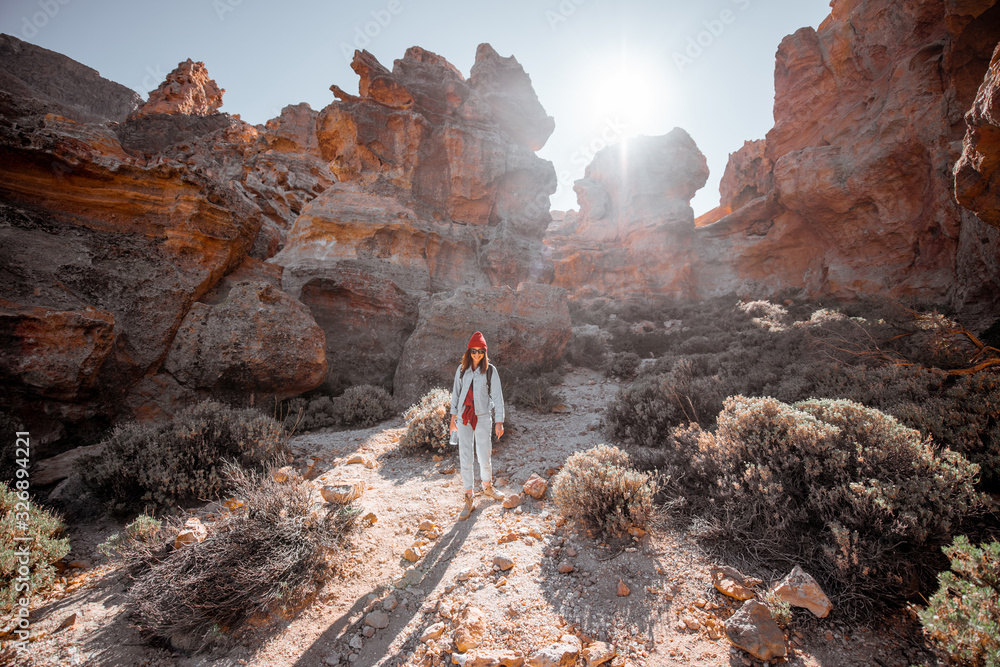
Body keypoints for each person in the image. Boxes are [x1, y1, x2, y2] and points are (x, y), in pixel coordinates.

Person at [449, 331, 505, 520]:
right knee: (465, 456)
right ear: (469, 352)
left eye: (480, 351)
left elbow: (497, 397)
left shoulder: (490, 371)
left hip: (483, 417)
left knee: (484, 455)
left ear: (484, 352)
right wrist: (452, 419)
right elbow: (455, 395)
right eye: (473, 351)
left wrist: (499, 421)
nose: (477, 354)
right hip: (464, 418)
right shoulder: (461, 370)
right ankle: (469, 497)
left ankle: (487, 487)